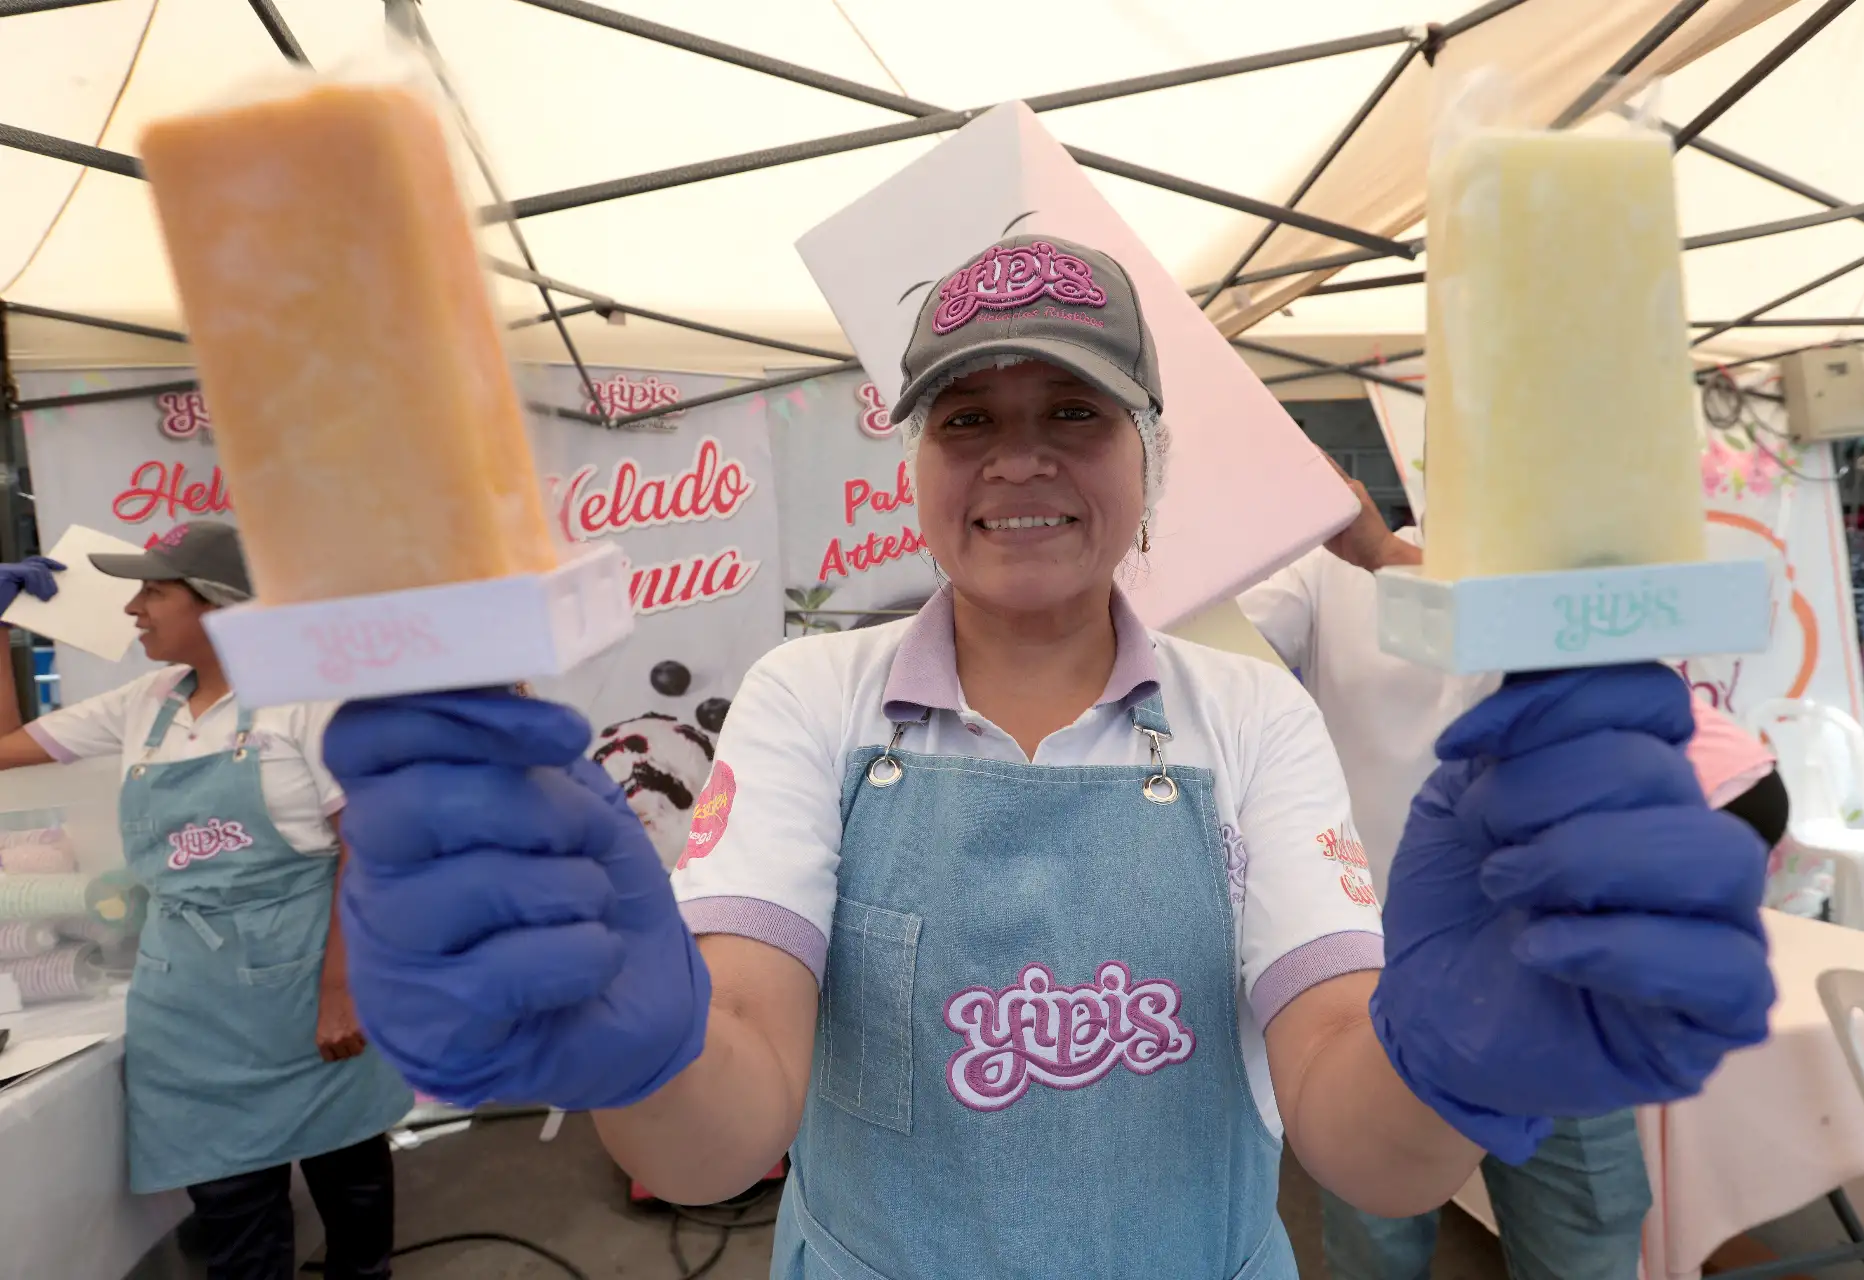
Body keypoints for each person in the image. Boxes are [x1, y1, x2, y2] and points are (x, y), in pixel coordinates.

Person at [320, 235, 1774, 1279]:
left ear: (1149, 463)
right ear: (917, 469)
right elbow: (717, 1137)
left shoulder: (1248, 713)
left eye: (1073, 411)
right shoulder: (808, 699)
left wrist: (1452, 1064)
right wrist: (635, 1042)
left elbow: (1358, 1137)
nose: (1020, 457)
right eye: (971, 419)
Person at [1240, 463, 1790, 1280]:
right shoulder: (1322, 577)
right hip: (1372, 983)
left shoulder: (1586, 593)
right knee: (1376, 1246)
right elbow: (1198, 644)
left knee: (1587, 1239)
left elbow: (1576, 639)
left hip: (1565, 972)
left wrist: (1383, 551)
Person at [0, 522, 414, 1280]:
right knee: (226, 1197)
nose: (134, 608)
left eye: (154, 591)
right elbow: (5, 746)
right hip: (186, 998)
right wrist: (0, 629)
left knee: (345, 1161)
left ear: (222, 607)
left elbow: (369, 848)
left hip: (305, 975)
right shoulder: (145, 701)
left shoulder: (308, 702)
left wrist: (339, 992)